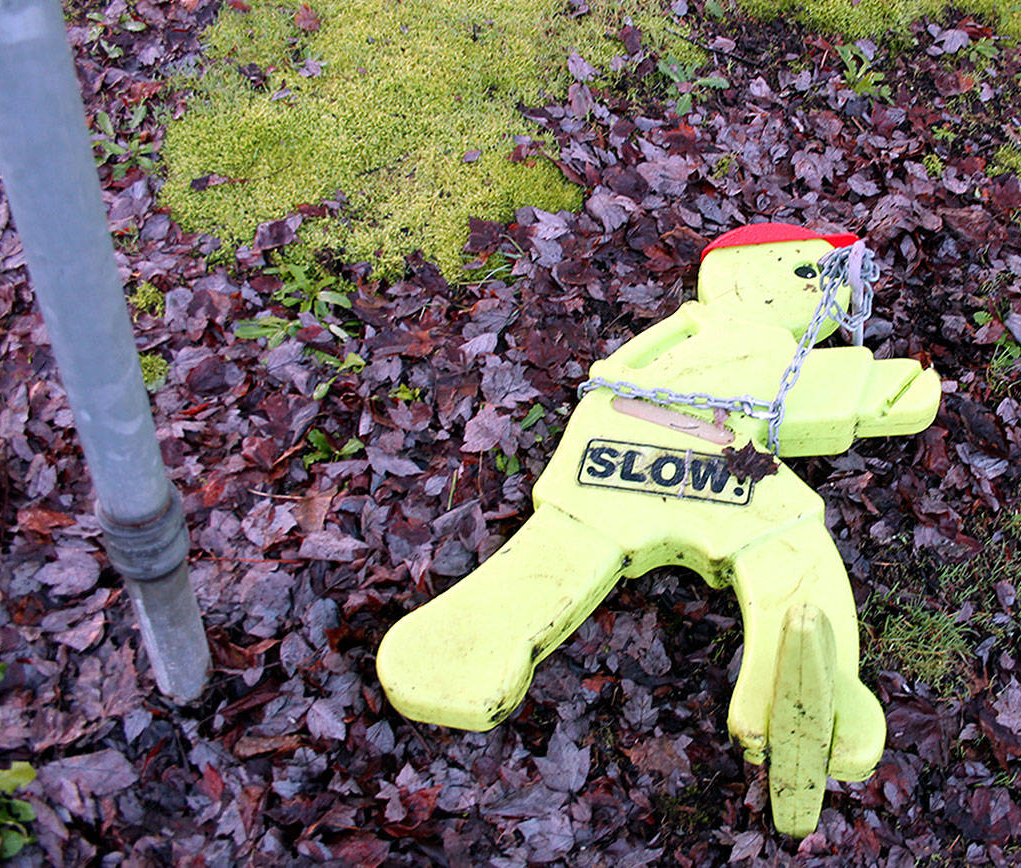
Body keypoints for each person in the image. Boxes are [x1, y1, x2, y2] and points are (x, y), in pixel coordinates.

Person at [377, 223, 941, 835]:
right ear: (748, 272)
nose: (826, 293)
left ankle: (456, 649)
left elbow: (633, 381)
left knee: (565, 544)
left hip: (620, 452)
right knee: (791, 541)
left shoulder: (680, 331)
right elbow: (803, 398)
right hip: (697, 460)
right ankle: (801, 684)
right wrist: (883, 389)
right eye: (812, 276)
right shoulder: (742, 338)